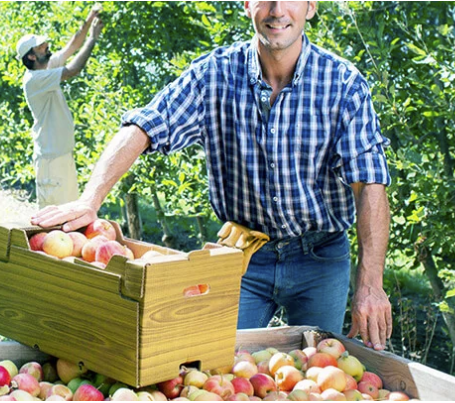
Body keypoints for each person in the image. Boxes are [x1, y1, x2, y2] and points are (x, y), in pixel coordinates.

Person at [31, 1, 394, 351]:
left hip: (320, 258)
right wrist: (90, 200)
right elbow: (144, 126)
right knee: (213, 363)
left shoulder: (343, 83)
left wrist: (371, 284)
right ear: (248, 4)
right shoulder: (215, 73)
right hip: (242, 256)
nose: (277, 10)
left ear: (311, 7)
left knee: (318, 372)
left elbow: (370, 183)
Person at [17, 5, 104, 209]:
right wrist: (93, 38)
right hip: (51, 161)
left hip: (61, 156)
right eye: (41, 46)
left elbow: (73, 45)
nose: (46, 45)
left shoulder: (47, 66)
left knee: (68, 215)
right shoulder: (35, 79)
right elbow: (73, 69)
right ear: (31, 56)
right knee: (52, 221)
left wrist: (90, 16)